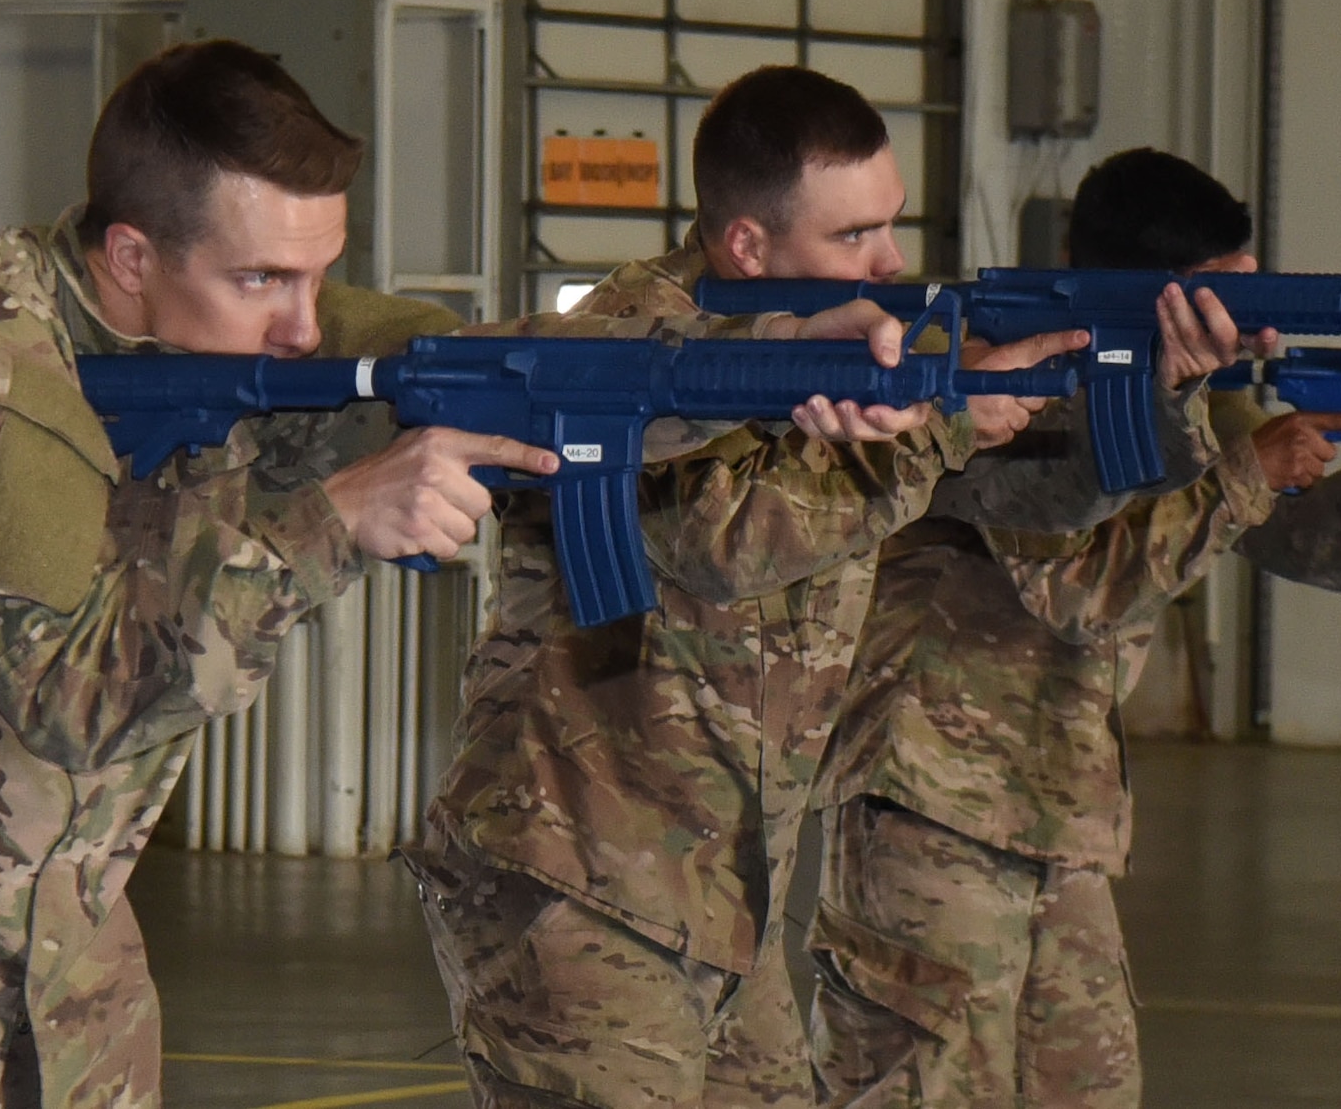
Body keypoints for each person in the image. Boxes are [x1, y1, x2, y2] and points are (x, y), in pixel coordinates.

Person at [0, 40, 892, 1109]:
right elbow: (75, 688)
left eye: (321, 272)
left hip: (56, 1005)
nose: (301, 322)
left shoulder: (240, 331)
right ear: (128, 258)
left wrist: (772, 349)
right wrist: (330, 520)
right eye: (262, 277)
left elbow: (517, 372)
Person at [402, 67, 1241, 1109]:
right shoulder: (633, 345)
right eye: (853, 236)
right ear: (746, 244)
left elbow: (1030, 495)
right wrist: (933, 430)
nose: (889, 262)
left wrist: (1153, 396)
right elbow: (717, 544)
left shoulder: (854, 338)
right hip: (577, 874)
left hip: (725, 887)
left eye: (889, 225)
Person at [805, 145, 1341, 1108]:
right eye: (1221, 293)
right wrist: (1244, 471)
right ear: (1152, 292)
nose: (1248, 319)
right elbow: (1081, 589)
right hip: (928, 804)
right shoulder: (1001, 389)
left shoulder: (1203, 391)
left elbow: (1310, 548)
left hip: (1062, 815)